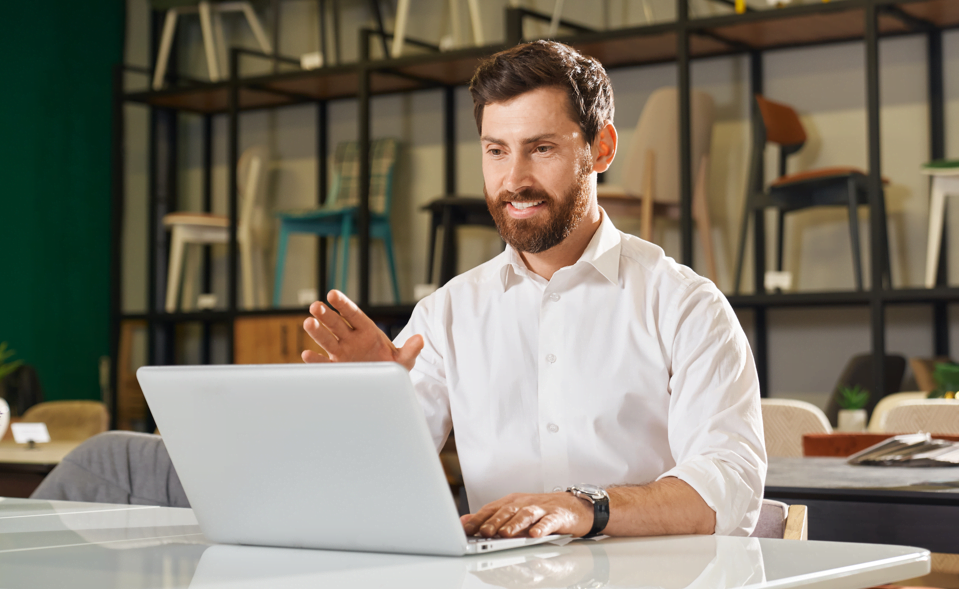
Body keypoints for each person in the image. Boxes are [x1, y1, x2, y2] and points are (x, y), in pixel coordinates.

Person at [301, 40, 766, 540]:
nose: (514, 180)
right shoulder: (445, 316)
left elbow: (729, 488)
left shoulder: (684, 306)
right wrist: (372, 411)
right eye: (496, 151)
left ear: (602, 149)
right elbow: (362, 491)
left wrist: (584, 508)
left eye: (541, 149)